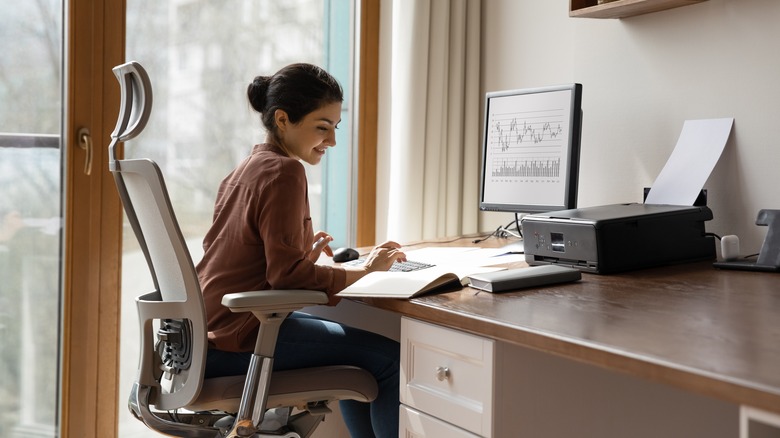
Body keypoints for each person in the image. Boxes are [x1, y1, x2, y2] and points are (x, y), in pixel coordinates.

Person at [196, 63, 404, 437]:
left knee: (365, 362)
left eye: (335, 128)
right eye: (322, 127)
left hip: (206, 336)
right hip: (242, 337)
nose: (332, 141)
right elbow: (286, 277)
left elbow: (248, 262)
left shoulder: (244, 169)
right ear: (283, 119)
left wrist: (302, 258)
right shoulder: (285, 172)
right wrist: (368, 271)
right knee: (391, 360)